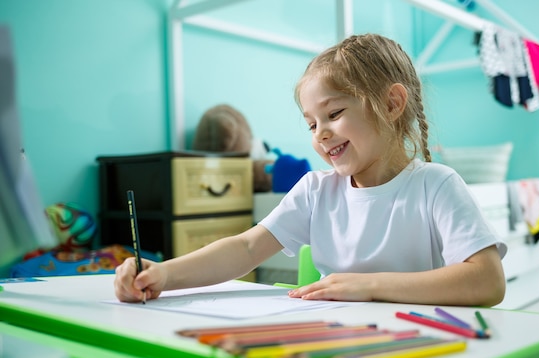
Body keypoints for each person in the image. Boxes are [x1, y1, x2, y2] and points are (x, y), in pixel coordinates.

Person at [115, 34, 506, 307]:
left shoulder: (435, 185)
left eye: (334, 113)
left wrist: (368, 287)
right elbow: (246, 248)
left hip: (416, 343)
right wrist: (164, 274)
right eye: (311, 124)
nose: (321, 134)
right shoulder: (317, 190)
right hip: (334, 340)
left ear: (391, 104)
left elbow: (487, 281)